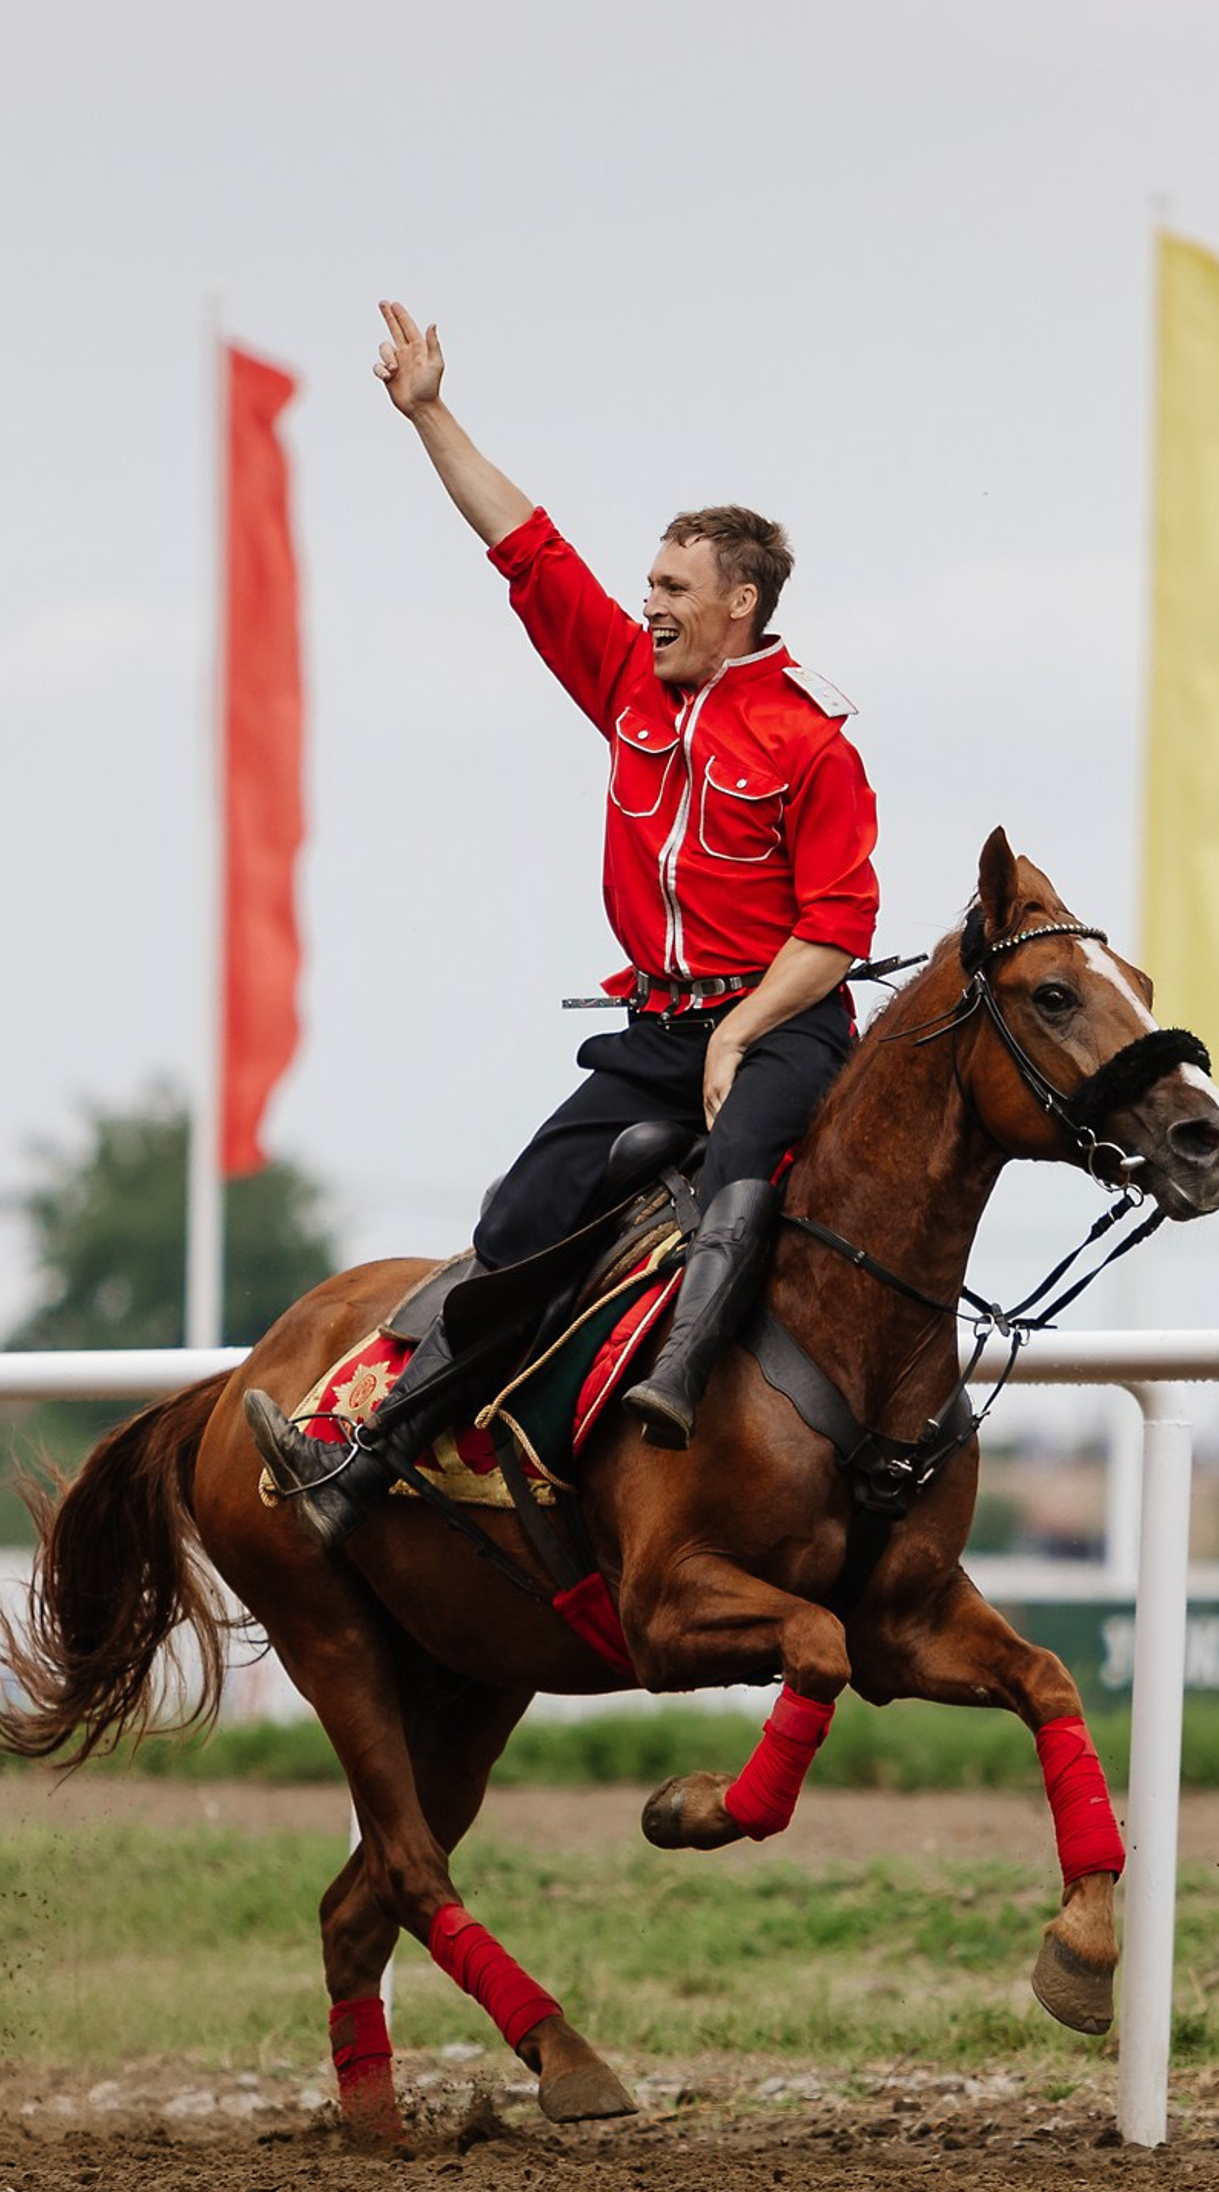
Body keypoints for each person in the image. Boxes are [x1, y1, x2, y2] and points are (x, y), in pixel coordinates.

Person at [248, 301, 881, 1546]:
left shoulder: (812, 740)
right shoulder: (627, 679)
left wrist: (743, 1029)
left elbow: (838, 927)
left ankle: (675, 1391)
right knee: (520, 1215)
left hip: (787, 1027)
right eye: (646, 581)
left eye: (671, 586)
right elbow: (526, 545)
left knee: (746, 1170)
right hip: (654, 1030)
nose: (644, 601)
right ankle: (374, 1447)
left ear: (739, 602)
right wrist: (428, 411)